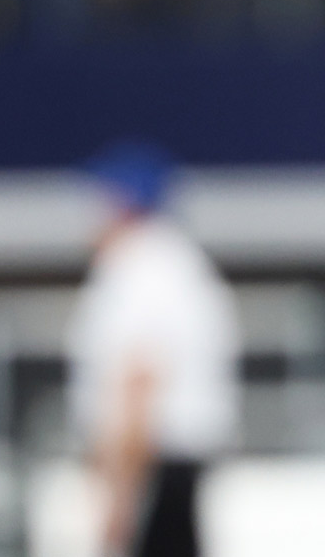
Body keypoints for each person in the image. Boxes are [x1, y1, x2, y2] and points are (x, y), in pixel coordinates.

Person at [66, 142, 240, 557]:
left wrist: (121, 496)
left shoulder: (140, 268)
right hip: (170, 468)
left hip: (153, 470)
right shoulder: (178, 264)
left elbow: (138, 381)